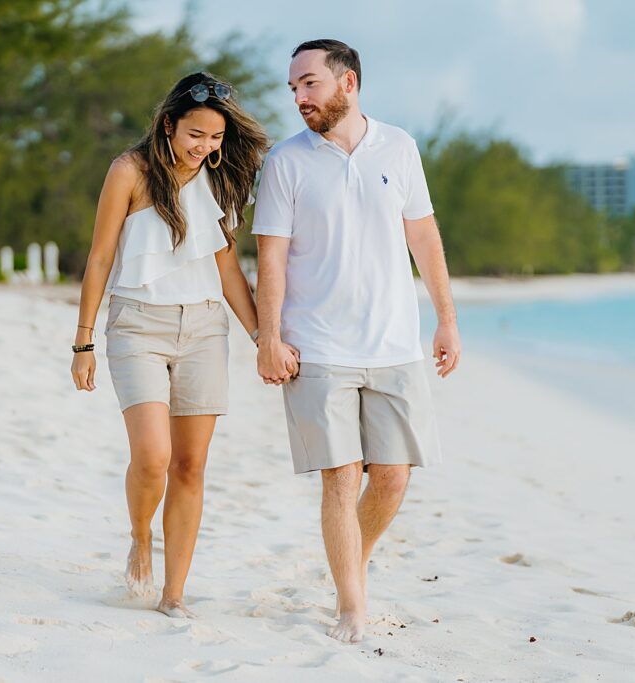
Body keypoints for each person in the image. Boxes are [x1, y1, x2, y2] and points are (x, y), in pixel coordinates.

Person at [252, 40, 462, 643]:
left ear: (348, 82)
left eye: (309, 84)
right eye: (293, 87)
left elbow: (422, 237)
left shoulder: (399, 146)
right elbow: (272, 259)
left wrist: (446, 318)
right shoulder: (286, 162)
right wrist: (269, 338)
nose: (298, 97)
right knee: (341, 477)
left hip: (394, 344)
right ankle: (351, 606)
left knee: (393, 477)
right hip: (317, 347)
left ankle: (352, 564)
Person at [70, 72, 294, 618]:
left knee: (190, 466)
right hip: (136, 326)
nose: (205, 148)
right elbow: (100, 257)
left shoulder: (217, 180)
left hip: (203, 331)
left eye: (215, 138)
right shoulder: (130, 171)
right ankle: (140, 534)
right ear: (169, 124)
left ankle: (173, 595)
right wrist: (83, 342)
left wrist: (262, 335)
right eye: (196, 134)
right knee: (153, 458)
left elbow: (225, 268)